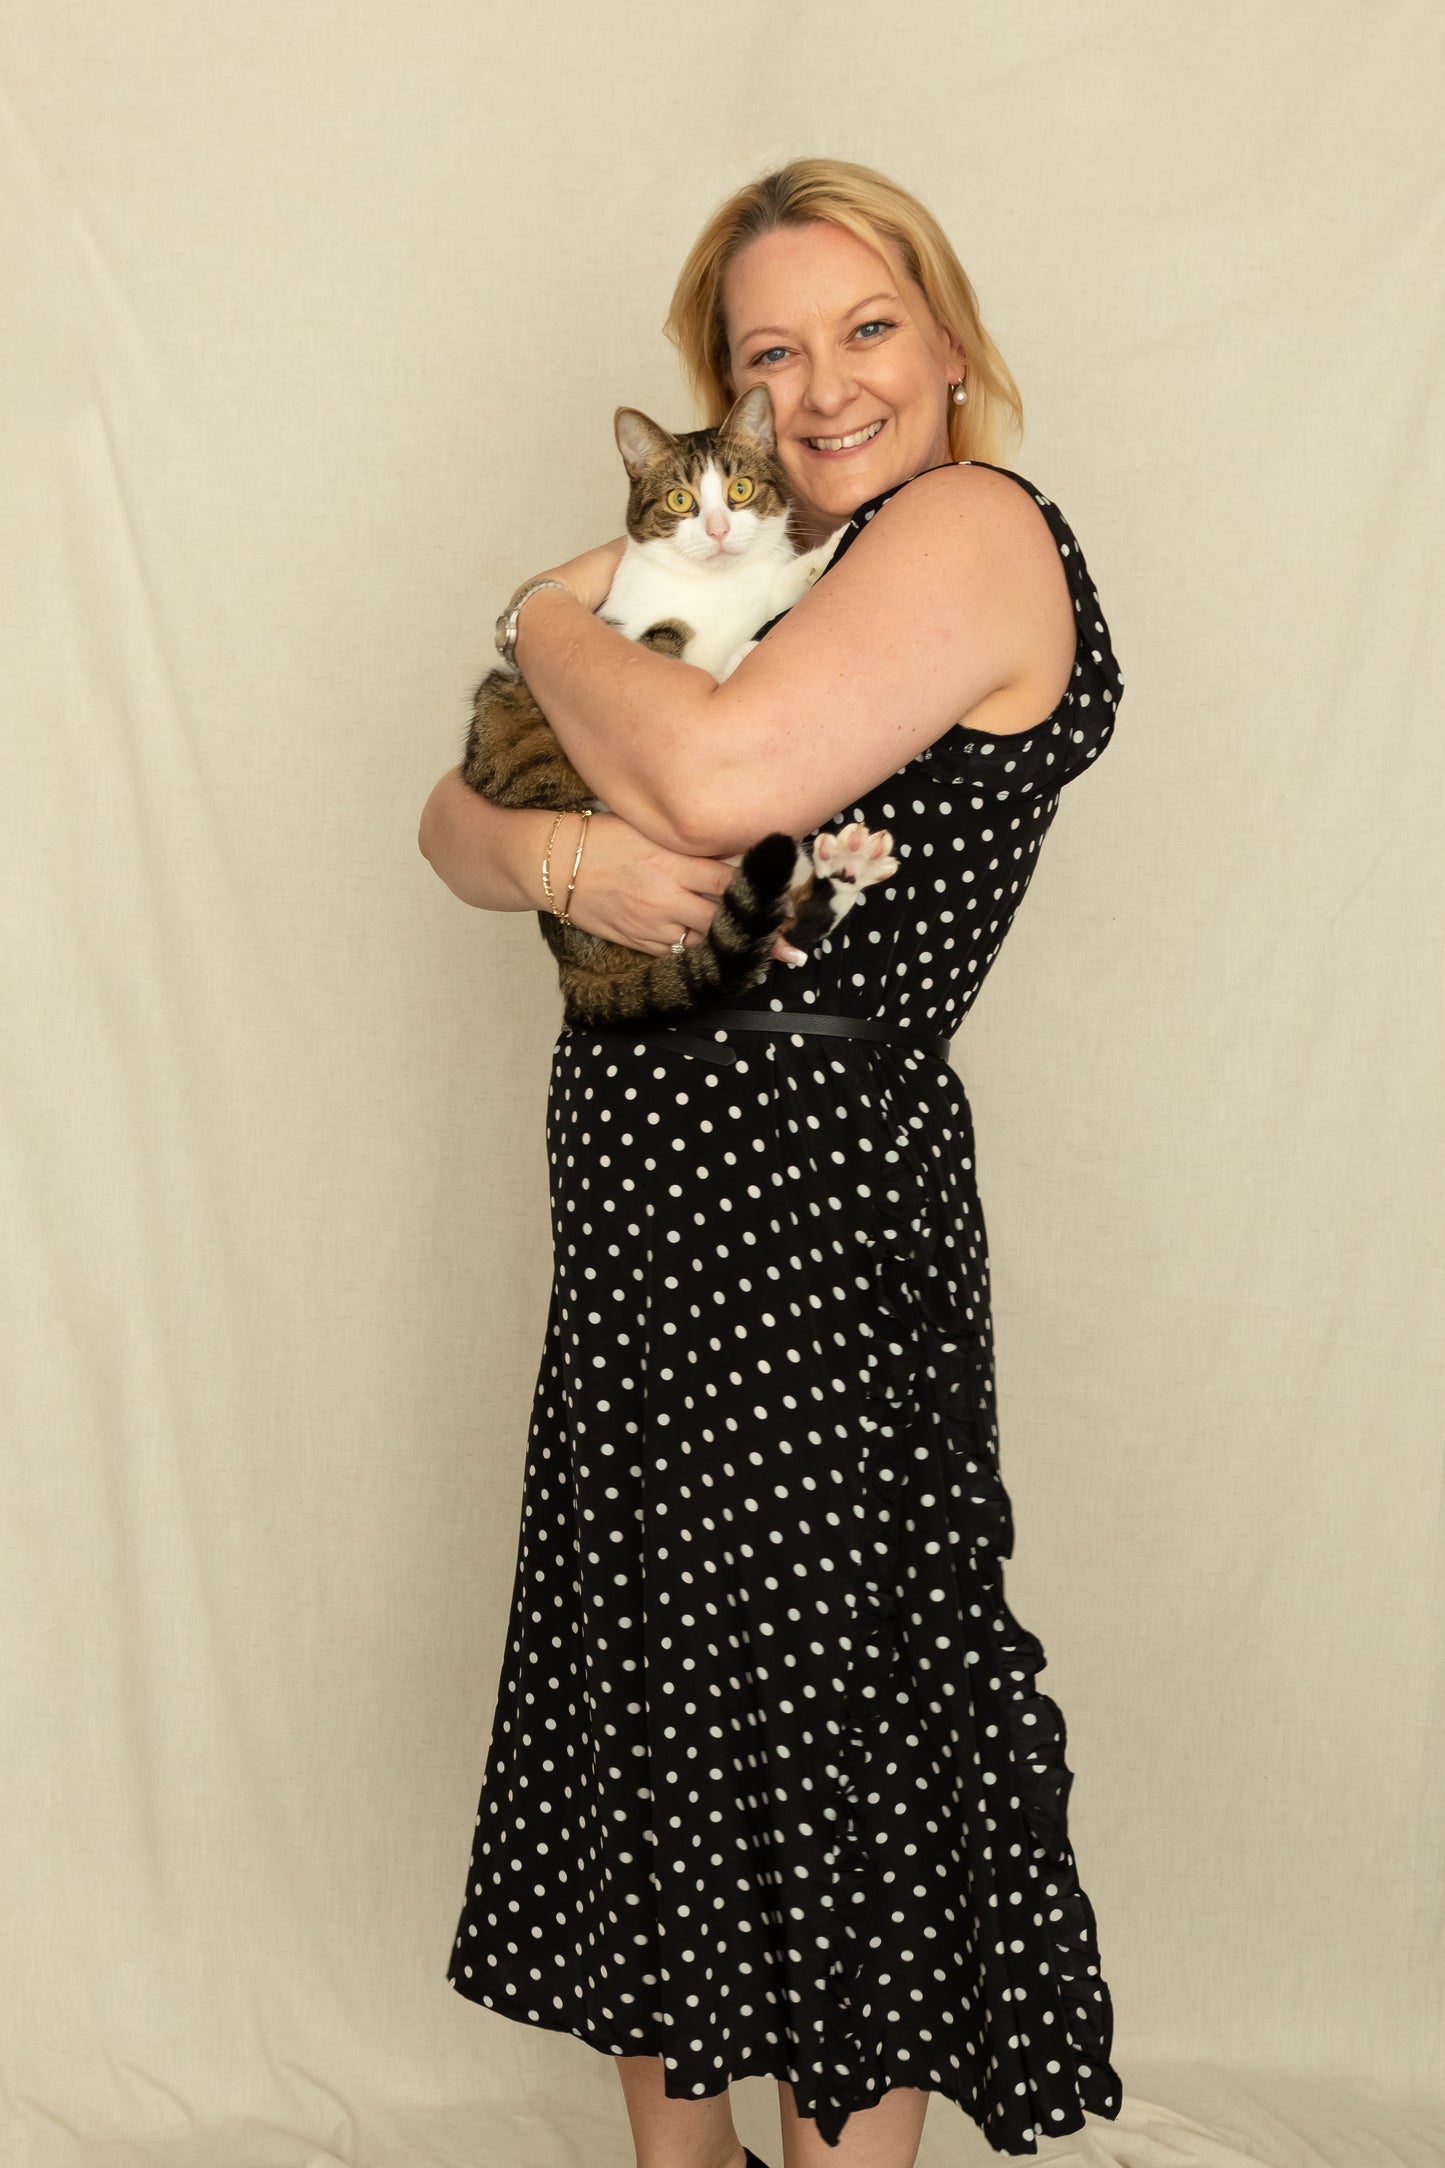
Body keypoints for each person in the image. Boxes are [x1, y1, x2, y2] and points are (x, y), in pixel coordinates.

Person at [421, 157, 1126, 2168]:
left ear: (956, 338)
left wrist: (542, 615)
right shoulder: (761, 559)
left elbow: (722, 776)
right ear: (725, 391)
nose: (823, 388)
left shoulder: (970, 530)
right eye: (770, 353)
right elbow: (450, 820)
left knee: (836, 1729)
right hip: (640, 1189)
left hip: (821, 1211)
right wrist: (557, 849)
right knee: (658, 1693)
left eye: (869, 327)